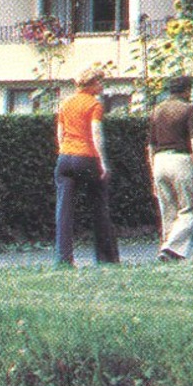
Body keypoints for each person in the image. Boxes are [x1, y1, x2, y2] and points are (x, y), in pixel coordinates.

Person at [53, 65, 119, 267]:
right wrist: (103, 162)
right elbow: (97, 134)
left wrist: (64, 150)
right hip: (87, 158)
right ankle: (106, 258)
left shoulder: (65, 104)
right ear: (90, 85)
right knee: (99, 206)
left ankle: (63, 259)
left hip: (65, 158)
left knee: (63, 210)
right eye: (99, 82)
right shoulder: (94, 105)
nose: (101, 85)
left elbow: (60, 133)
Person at [146, 75, 193, 262]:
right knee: (190, 209)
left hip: (159, 161)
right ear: (187, 90)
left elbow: (150, 146)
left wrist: (152, 176)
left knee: (168, 209)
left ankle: (168, 251)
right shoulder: (189, 109)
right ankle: (171, 248)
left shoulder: (156, 110)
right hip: (180, 159)